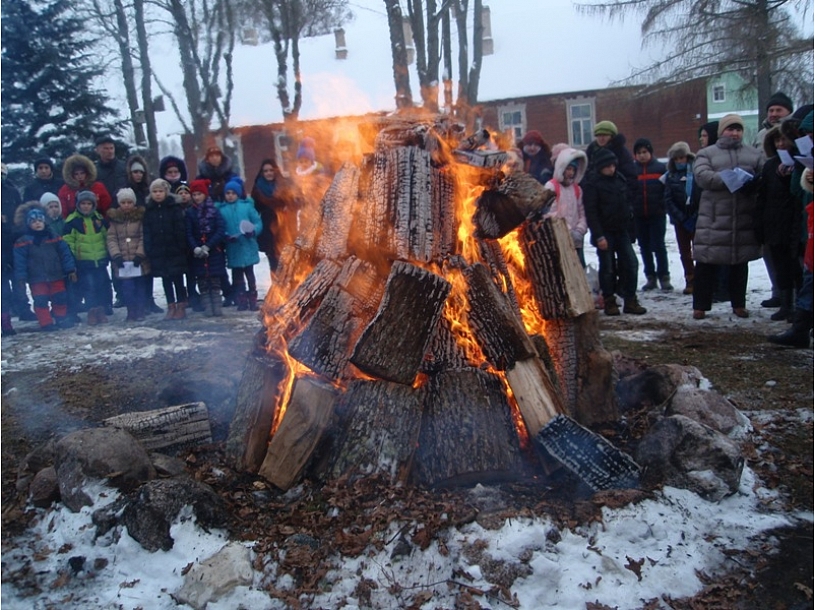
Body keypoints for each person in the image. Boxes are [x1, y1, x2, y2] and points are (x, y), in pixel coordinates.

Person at [691, 114, 764, 320]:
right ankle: (700, 306)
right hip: (713, 219)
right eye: (730, 129)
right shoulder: (707, 153)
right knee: (706, 263)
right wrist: (728, 178)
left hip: (742, 217)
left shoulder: (754, 154)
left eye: (738, 129)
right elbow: (702, 176)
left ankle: (739, 304)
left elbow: (762, 176)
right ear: (722, 131)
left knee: (739, 264)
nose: (734, 133)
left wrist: (753, 183)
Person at [583, 147, 646, 316]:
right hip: (605, 232)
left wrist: (631, 231)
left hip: (622, 231)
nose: (611, 169)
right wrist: (598, 235)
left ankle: (630, 299)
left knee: (631, 264)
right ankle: (609, 300)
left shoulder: (620, 179)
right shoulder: (592, 184)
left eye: (613, 165)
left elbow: (628, 206)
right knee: (608, 268)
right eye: (607, 166)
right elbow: (592, 212)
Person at [754, 126, 802, 322]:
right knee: (780, 266)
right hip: (774, 222)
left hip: (794, 222)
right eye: (776, 141)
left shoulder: (800, 164)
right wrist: (760, 223)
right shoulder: (770, 165)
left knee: (796, 267)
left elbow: (797, 194)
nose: (781, 144)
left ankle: (802, 306)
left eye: (784, 140)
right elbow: (763, 196)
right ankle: (785, 304)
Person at [13, 204, 76, 331]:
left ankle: (61, 317)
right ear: (28, 224)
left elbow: (65, 253)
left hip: (56, 273)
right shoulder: (23, 241)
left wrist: (70, 268)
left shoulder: (54, 237)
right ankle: (45, 322)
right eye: (34, 221)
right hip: (36, 277)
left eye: (40, 221)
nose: (37, 224)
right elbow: (20, 261)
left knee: (59, 297)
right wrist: (21, 277)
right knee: (41, 300)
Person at [143, 179, 189, 320]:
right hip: (159, 251)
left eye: (160, 191)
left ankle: (181, 305)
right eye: (155, 191)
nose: (158, 194)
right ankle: (171, 306)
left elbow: (180, 229)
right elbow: (147, 231)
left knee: (178, 279)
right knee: (166, 280)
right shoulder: (149, 210)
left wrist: (181, 246)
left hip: (174, 250)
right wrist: (149, 249)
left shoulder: (174, 208)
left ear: (166, 192)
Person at [63, 190, 110, 325]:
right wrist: (73, 259)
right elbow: (68, 242)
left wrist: (108, 254)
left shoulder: (99, 219)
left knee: (102, 286)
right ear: (78, 204)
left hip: (100, 260)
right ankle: (91, 310)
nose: (86, 206)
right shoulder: (72, 221)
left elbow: (106, 237)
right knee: (88, 287)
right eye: (83, 203)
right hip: (83, 261)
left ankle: (101, 310)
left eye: (89, 203)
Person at [217, 179, 262, 311]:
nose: (230, 195)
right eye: (227, 193)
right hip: (233, 247)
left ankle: (253, 299)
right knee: (237, 276)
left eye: (233, 193)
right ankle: (241, 299)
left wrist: (253, 231)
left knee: (250, 274)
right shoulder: (222, 210)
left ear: (238, 194)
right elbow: (220, 226)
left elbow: (257, 222)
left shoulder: (247, 207)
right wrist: (225, 236)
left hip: (247, 245)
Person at [632, 138, 670, 291]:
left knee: (659, 245)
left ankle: (664, 276)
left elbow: (667, 190)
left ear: (650, 153)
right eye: (639, 153)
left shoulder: (660, 168)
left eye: (644, 152)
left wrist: (662, 207)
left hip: (657, 214)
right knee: (644, 247)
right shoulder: (633, 170)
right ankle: (650, 276)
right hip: (639, 215)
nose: (642, 155)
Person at [106, 188, 150, 322]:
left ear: (134, 203)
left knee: (140, 287)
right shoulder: (115, 221)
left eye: (129, 202)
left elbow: (144, 237)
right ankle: (131, 311)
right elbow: (111, 238)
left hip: (139, 261)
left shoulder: (140, 219)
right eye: (123, 202)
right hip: (123, 262)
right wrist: (116, 255)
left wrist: (140, 254)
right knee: (127, 288)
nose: (126, 205)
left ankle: (140, 310)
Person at [2, 163, 38, 323]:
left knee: (19, 278)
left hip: (13, 238)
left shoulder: (12, 191)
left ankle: (23, 308)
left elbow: (19, 212)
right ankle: (6, 312)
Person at [186, 179, 227, 317]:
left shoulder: (214, 211)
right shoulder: (190, 213)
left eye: (199, 194)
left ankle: (217, 306)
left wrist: (209, 246)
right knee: (202, 282)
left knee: (215, 281)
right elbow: (188, 233)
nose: (196, 197)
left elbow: (220, 229)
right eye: (194, 194)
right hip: (198, 254)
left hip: (214, 252)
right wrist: (195, 248)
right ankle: (208, 307)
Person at [542, 147, 588, 267]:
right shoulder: (551, 187)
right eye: (568, 169)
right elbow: (549, 212)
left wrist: (579, 230)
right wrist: (567, 230)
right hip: (558, 236)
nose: (571, 173)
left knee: (578, 266)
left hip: (576, 239)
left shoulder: (577, 189)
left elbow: (581, 212)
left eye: (573, 169)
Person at [664, 142, 698, 295]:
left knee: (700, 250)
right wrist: (681, 218)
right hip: (679, 220)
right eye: (676, 159)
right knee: (685, 252)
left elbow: (701, 196)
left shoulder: (696, 173)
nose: (679, 161)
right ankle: (690, 278)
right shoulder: (670, 176)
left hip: (696, 218)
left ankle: (702, 278)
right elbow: (668, 200)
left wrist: (695, 215)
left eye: (682, 158)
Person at [251, 158, 291, 271]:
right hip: (268, 226)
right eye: (266, 171)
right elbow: (255, 209)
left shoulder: (283, 186)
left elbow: (292, 203)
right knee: (273, 259)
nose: (268, 173)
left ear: (275, 171)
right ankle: (276, 285)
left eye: (271, 170)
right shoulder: (258, 188)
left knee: (286, 257)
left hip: (284, 224)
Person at [58, 154, 112, 218]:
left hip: (97, 221)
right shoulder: (65, 189)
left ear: (88, 172)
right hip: (74, 222)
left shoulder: (98, 187)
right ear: (71, 175)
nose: (79, 176)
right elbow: (63, 210)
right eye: (76, 174)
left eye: (82, 173)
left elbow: (107, 207)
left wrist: (104, 222)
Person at [94, 135, 128, 202]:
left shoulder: (125, 167)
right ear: (98, 150)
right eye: (106, 149)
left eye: (111, 148)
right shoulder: (93, 171)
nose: (110, 151)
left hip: (124, 206)